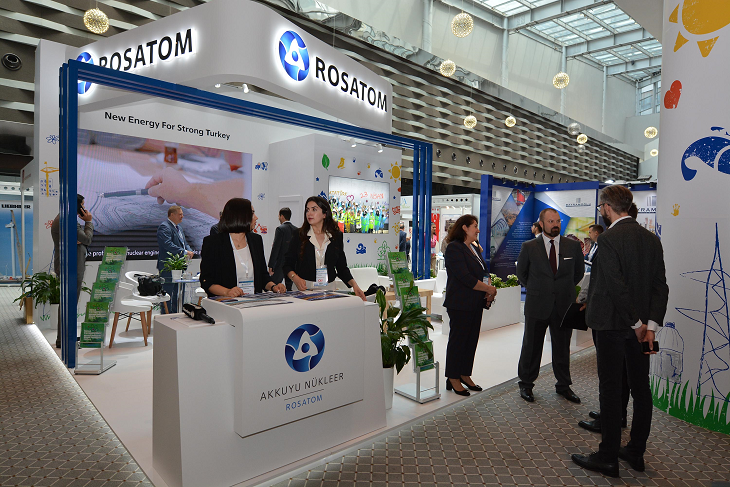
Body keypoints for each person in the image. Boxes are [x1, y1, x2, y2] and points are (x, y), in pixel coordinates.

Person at [571, 186, 668, 478]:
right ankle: (635, 451)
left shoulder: (608, 238)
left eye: (601, 207)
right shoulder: (651, 239)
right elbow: (660, 287)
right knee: (641, 389)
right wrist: (650, 327)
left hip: (613, 326)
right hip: (642, 330)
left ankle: (608, 457)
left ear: (607, 207)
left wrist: (637, 324)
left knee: (611, 391)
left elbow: (615, 286)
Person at [516, 208, 585, 404]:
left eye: (558, 221)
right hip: (537, 304)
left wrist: (562, 289)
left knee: (562, 347)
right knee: (531, 346)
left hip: (564, 305)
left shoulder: (573, 246)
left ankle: (563, 385)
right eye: (551, 221)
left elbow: (578, 273)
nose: (555, 225)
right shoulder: (529, 246)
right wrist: (539, 289)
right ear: (541, 224)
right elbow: (522, 274)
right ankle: (526, 384)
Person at [443, 215, 497, 396]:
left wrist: (487, 290)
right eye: (475, 226)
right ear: (464, 228)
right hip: (460, 303)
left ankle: (464, 374)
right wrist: (488, 288)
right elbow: (465, 278)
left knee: (471, 340)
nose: (478, 230)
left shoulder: (473, 248)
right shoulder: (454, 248)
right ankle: (452, 377)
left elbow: (483, 272)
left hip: (475, 302)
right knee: (458, 341)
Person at [283, 196, 366, 301]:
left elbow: (341, 267)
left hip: (328, 290)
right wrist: (295, 278)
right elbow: (287, 264)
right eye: (307, 210)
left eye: (314, 209)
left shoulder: (336, 236)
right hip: (304, 289)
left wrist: (354, 285)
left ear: (324, 214)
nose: (309, 213)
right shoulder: (299, 235)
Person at [200, 198, 285, 297]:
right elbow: (206, 280)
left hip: (253, 303)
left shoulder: (256, 240)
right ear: (240, 216)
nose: (256, 217)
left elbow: (263, 276)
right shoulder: (213, 243)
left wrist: (273, 287)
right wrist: (227, 292)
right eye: (252, 213)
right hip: (225, 303)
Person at [50, 194, 93, 348]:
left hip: (69, 265)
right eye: (82, 205)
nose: (84, 208)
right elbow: (87, 239)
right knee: (69, 303)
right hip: (71, 267)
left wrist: (80, 238)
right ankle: (64, 339)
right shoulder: (67, 221)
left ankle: (65, 337)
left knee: (68, 303)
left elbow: (81, 239)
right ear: (77, 206)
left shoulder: (64, 219)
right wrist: (88, 222)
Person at [157, 205, 194, 313]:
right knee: (167, 295)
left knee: (177, 295)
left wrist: (189, 251)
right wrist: (184, 252)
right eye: (180, 214)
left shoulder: (179, 228)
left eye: (182, 214)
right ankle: (165, 317)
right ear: (172, 215)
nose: (182, 216)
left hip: (180, 267)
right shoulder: (164, 227)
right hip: (168, 267)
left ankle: (175, 316)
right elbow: (167, 244)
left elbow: (184, 243)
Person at [268, 207, 298, 291]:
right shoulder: (296, 230)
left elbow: (276, 248)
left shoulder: (280, 229)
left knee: (275, 286)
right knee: (290, 287)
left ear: (282, 216)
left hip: (281, 263)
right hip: (292, 264)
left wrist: (271, 265)